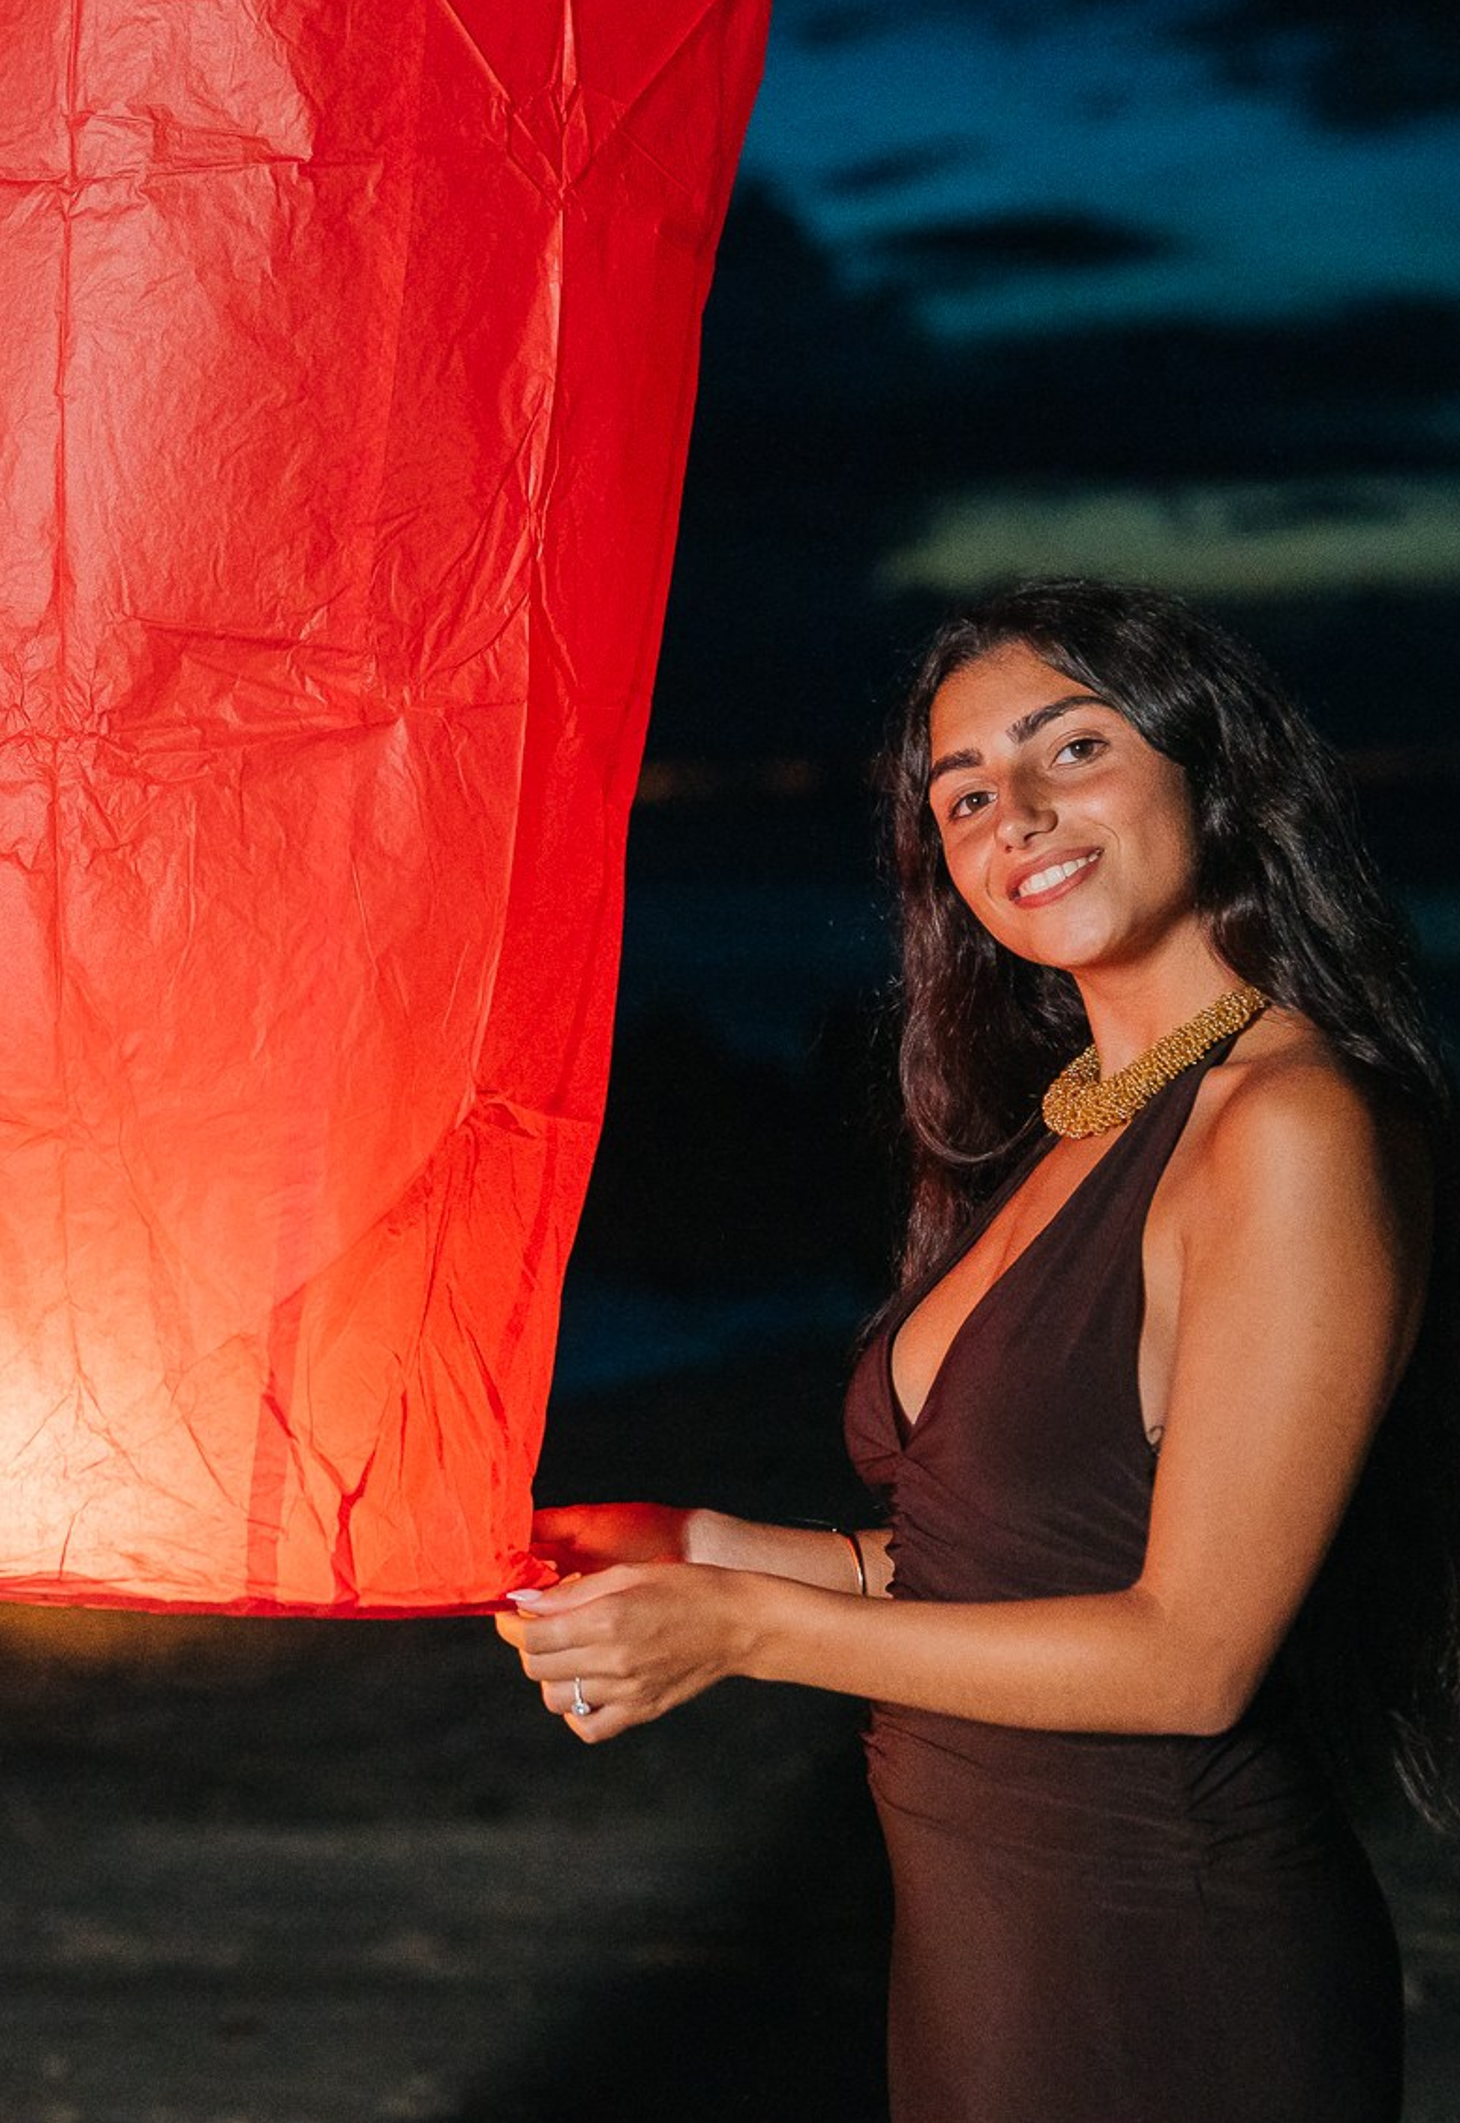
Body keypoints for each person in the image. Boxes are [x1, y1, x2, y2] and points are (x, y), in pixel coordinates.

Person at [499, 577, 1456, 2121]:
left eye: (1070, 751)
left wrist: (740, 1628)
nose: (1012, 811)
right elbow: (994, 1557)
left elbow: (1191, 1657)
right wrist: (687, 1543)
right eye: (961, 793)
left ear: (1207, 776)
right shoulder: (1074, 1123)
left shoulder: (1292, 1128)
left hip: (1172, 1966)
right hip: (987, 1960)